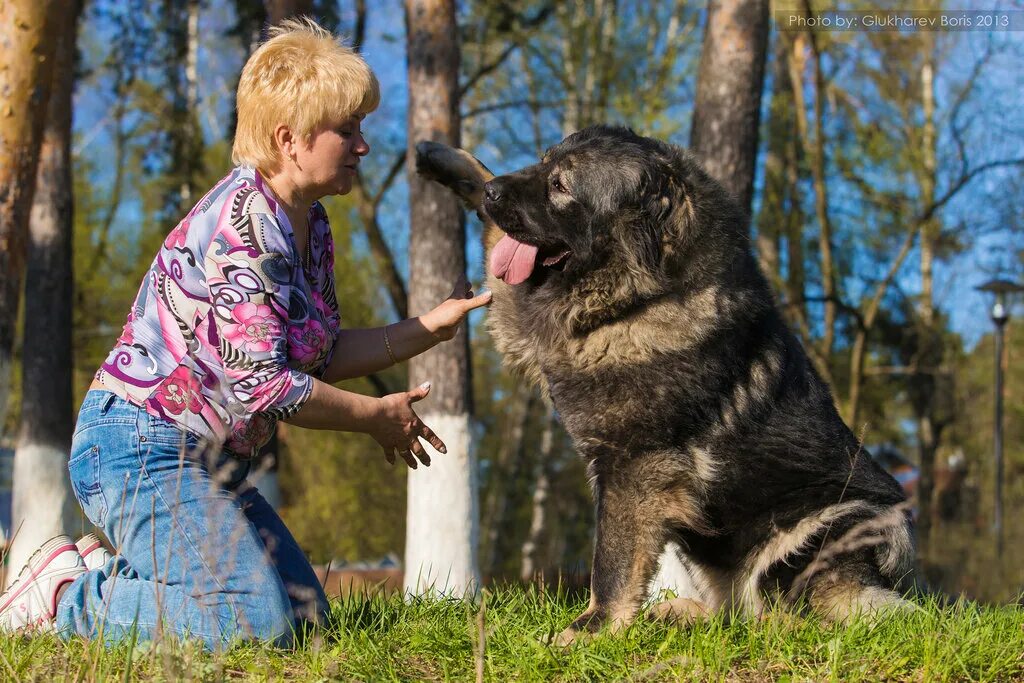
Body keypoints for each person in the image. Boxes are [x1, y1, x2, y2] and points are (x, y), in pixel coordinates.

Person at [0, 18, 490, 648]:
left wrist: (428, 328)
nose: (363, 146)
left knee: (305, 619)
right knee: (252, 621)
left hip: (209, 461)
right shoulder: (246, 226)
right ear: (289, 139)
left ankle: (117, 576)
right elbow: (263, 384)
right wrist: (372, 416)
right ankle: (63, 599)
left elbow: (314, 355)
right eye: (347, 130)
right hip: (141, 448)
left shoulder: (310, 226)